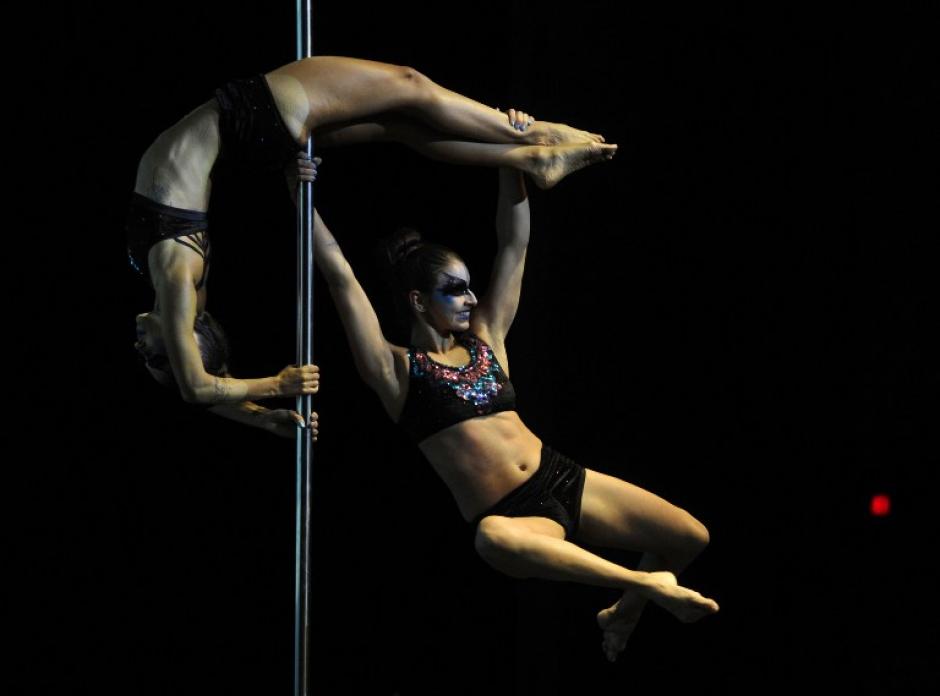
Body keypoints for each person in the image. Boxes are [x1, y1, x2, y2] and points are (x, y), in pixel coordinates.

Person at [305, 158, 719, 662]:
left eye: (469, 287)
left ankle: (626, 608)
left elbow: (514, 243)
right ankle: (646, 584)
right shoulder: (395, 369)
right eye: (455, 289)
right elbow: (338, 273)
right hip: (513, 518)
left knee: (689, 537)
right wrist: (298, 187)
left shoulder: (487, 340)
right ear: (417, 301)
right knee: (490, 539)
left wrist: (512, 159)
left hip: (561, 477)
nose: (471, 298)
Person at [130, 56, 615, 437]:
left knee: (403, 128)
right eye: (157, 354)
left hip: (252, 135)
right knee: (410, 86)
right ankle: (534, 138)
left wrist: (260, 417)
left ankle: (528, 156)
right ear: (187, 332)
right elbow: (196, 388)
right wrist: (277, 388)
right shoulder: (176, 279)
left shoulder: (177, 290)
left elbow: (199, 388)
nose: (139, 346)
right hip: (254, 116)